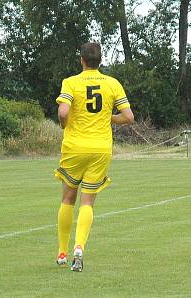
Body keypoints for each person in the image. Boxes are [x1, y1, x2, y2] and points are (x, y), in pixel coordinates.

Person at [53, 42, 135, 272]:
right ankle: (79, 248)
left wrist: (63, 124)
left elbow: (63, 112)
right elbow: (128, 117)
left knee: (68, 199)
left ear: (81, 60)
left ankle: (61, 252)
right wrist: (110, 118)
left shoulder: (71, 83)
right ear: (100, 61)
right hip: (100, 149)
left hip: (74, 147)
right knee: (87, 201)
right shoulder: (112, 83)